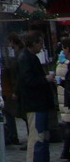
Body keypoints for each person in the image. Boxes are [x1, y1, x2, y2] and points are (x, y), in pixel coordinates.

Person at [16, 31, 55, 162]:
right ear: (34, 43)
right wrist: (45, 79)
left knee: (41, 137)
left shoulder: (27, 57)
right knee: (37, 138)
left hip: (37, 104)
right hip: (35, 104)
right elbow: (29, 81)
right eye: (40, 43)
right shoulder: (27, 58)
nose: (41, 47)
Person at [55, 38, 70, 162]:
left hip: (65, 99)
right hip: (65, 99)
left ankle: (66, 151)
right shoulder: (65, 63)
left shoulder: (62, 63)